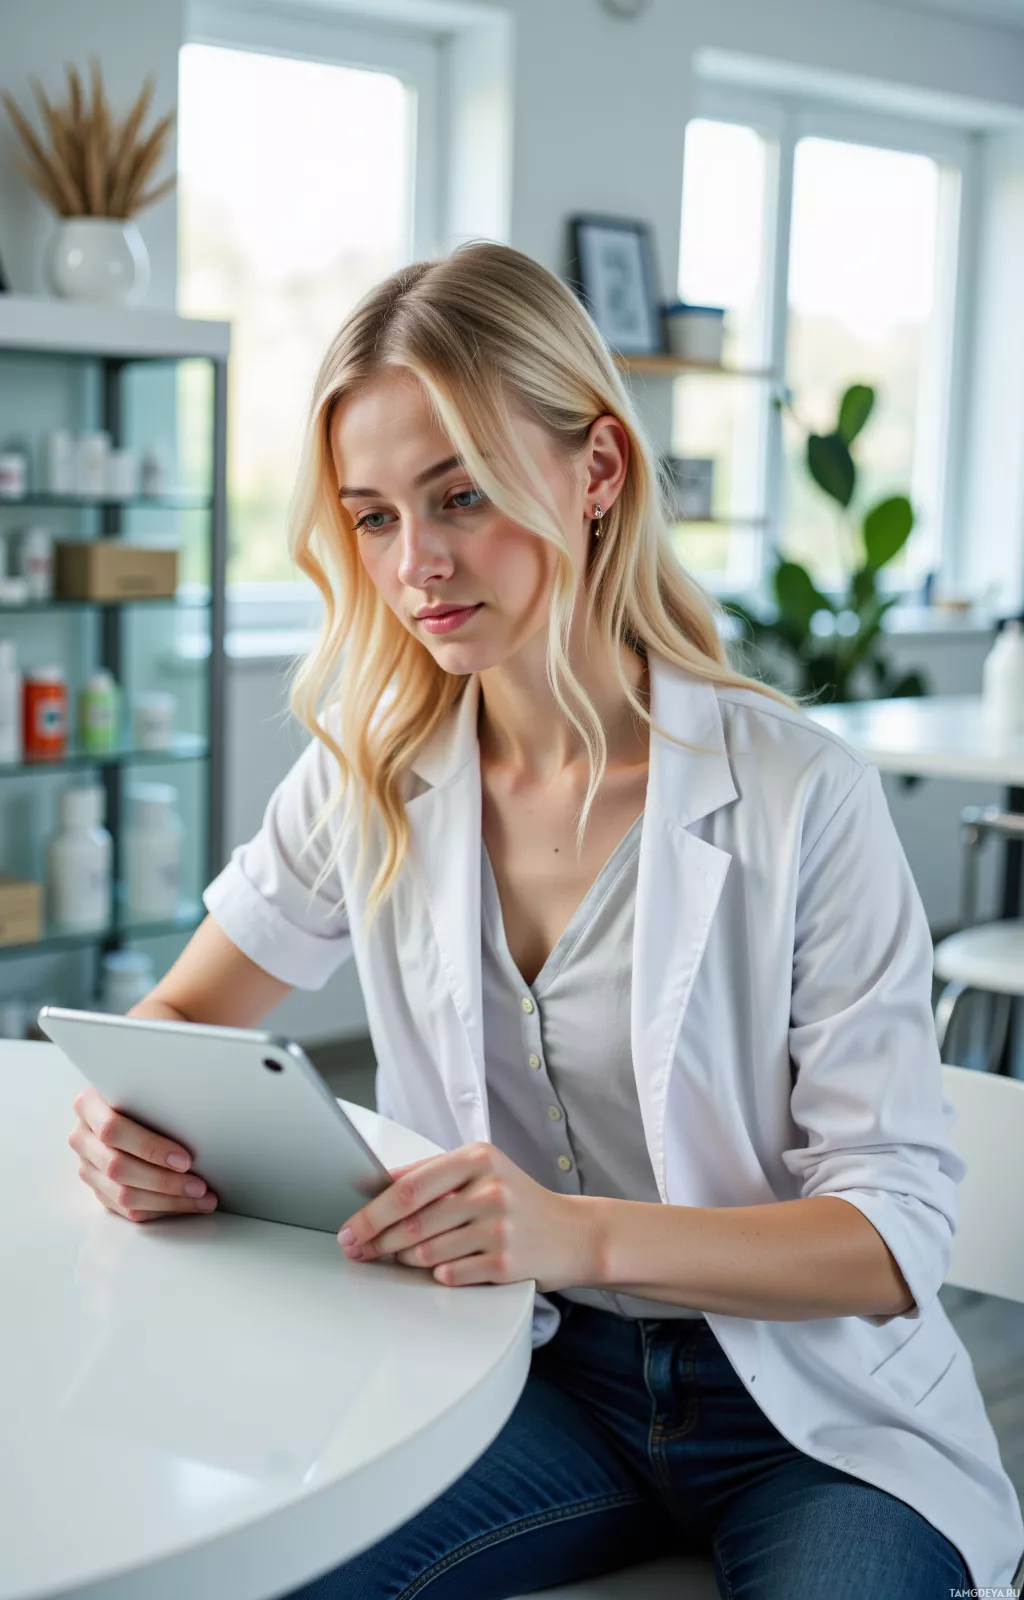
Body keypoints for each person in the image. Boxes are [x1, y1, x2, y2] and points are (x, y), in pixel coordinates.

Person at [67, 241, 1022, 1599]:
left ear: (598, 474)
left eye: (459, 495)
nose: (419, 564)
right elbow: (170, 1025)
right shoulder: (371, 775)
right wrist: (127, 1126)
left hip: (818, 1425)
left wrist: (574, 1230)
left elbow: (888, 1243)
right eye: (376, 516)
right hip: (515, 1380)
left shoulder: (800, 795)